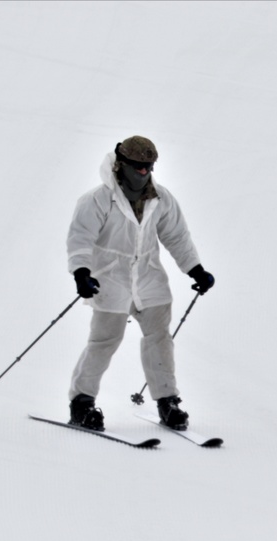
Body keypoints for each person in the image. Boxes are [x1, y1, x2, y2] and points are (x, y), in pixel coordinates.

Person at [66, 136, 214, 432]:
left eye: (149, 167)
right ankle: (82, 402)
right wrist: (81, 272)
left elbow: (176, 235)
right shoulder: (97, 199)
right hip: (109, 278)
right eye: (138, 167)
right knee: (105, 340)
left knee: (160, 338)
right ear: (121, 165)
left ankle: (167, 401)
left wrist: (195, 269)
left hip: (149, 278)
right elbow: (81, 237)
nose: (144, 172)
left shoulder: (161, 198)